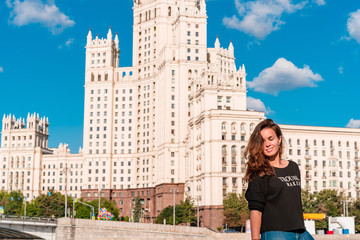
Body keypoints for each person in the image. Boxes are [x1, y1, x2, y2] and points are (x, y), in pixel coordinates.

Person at [244, 119, 314, 240]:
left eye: (271, 139)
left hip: (301, 232)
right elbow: (256, 210)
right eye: (262, 141)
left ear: (279, 139)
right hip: (276, 233)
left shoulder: (293, 167)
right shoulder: (259, 172)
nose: (267, 144)